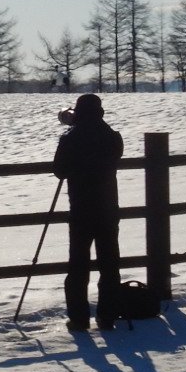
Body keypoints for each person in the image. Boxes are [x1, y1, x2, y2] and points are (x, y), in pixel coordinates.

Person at [51, 92, 124, 331]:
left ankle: (79, 318)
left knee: (78, 265)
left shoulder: (71, 138)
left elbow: (59, 170)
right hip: (108, 208)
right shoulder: (113, 137)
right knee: (110, 264)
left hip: (81, 209)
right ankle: (108, 316)